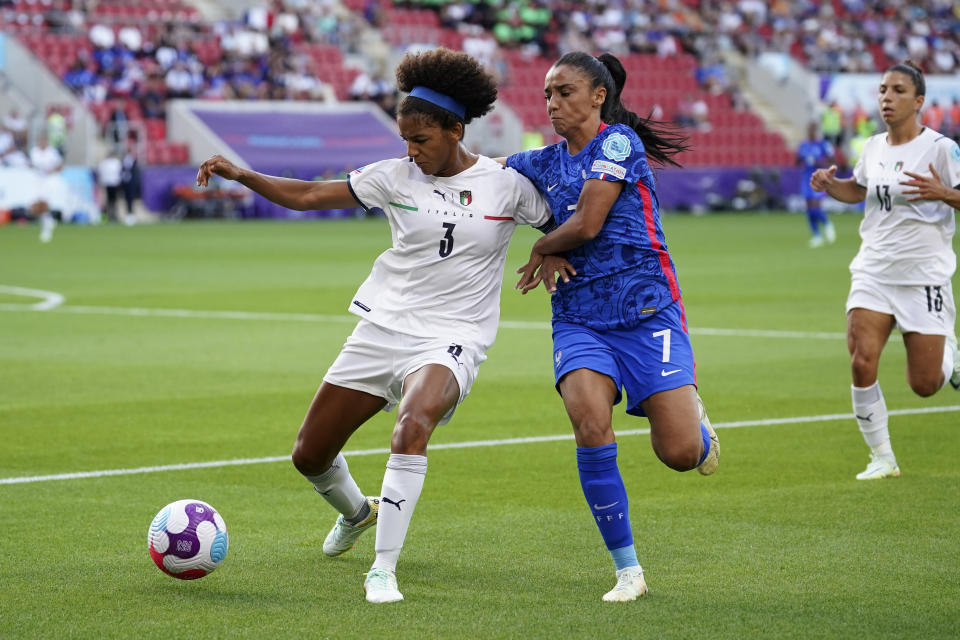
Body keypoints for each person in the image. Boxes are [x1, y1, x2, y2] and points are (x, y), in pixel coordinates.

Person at [195, 48, 553, 604]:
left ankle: (383, 569)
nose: (411, 151)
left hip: (452, 335)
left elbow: (567, 221)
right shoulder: (393, 177)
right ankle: (359, 514)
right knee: (309, 455)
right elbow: (310, 195)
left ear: (456, 130)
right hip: (383, 328)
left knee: (411, 426)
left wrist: (552, 247)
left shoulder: (506, 185)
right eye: (405, 140)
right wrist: (242, 174)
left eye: (422, 140)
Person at [503, 52, 719, 602]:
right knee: (589, 422)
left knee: (678, 454)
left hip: (648, 311)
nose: (552, 103)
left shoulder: (618, 143)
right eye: (547, 94)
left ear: (598, 95)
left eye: (565, 92)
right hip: (578, 317)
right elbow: (483, 171)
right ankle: (628, 571)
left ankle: (698, 426)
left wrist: (546, 244)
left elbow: (589, 221)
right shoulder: (540, 162)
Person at [810, 60, 960, 480]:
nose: (886, 98)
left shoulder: (941, 149)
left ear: (919, 101)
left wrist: (943, 192)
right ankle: (882, 457)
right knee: (861, 360)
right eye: (882, 90)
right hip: (873, 270)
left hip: (923, 276)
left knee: (925, 384)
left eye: (897, 90)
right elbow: (859, 190)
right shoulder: (873, 146)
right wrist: (829, 185)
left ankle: (951, 353)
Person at [796, 121, 836, 247]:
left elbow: (831, 159)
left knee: (815, 206)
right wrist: (801, 158)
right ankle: (816, 235)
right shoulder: (803, 145)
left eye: (812, 129)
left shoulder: (822, 144)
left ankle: (827, 224)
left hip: (818, 178)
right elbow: (796, 161)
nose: (810, 132)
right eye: (809, 129)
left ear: (816, 130)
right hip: (806, 178)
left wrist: (819, 162)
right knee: (809, 208)